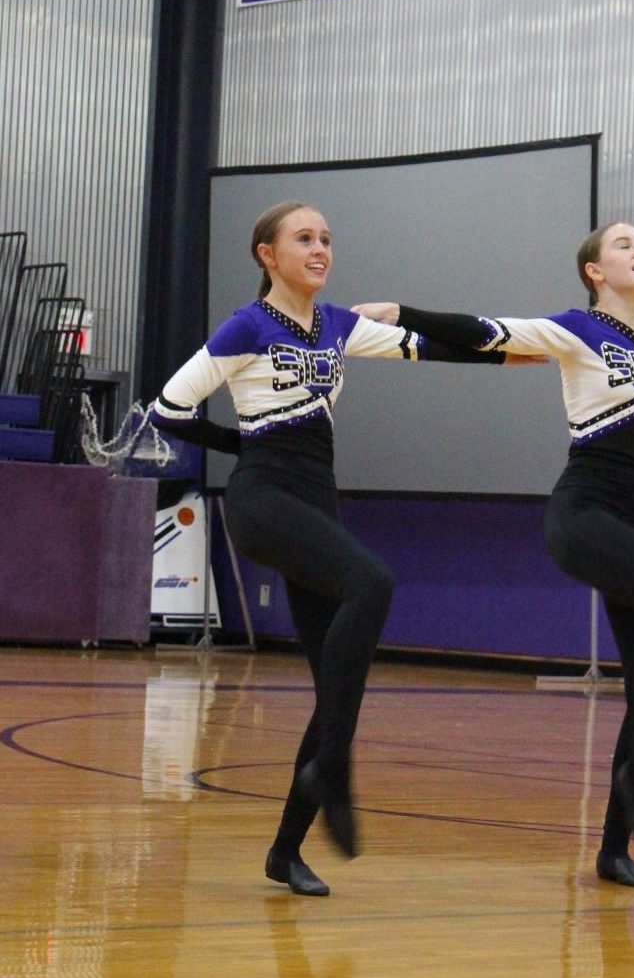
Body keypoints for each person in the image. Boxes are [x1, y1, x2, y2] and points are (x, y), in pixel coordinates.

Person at [353, 221, 634, 889]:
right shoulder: (573, 329)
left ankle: (612, 847)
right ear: (594, 271)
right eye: (622, 244)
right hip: (584, 511)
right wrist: (401, 314)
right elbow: (484, 329)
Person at [150, 201, 513, 896]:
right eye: (303, 238)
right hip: (263, 499)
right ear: (267, 255)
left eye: (325, 239)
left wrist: (516, 351)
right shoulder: (247, 324)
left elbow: (429, 346)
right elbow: (168, 405)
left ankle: (285, 849)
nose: (319, 248)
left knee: (334, 685)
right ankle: (333, 775)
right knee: (372, 583)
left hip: (317, 500)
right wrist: (241, 445)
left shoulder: (339, 325)